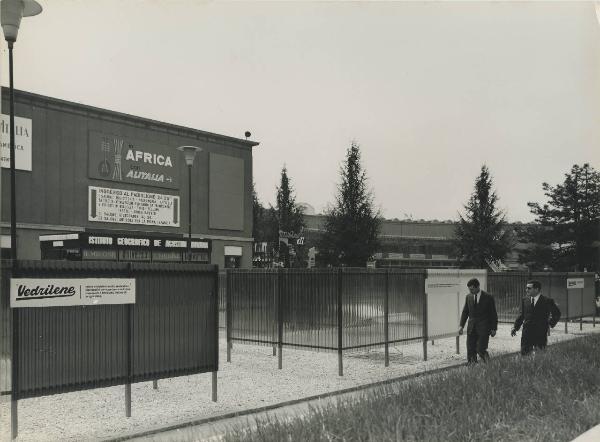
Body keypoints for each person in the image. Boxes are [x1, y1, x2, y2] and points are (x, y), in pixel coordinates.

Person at [511, 280, 561, 355]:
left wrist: (550, 324)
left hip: (540, 332)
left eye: (529, 288)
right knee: (525, 354)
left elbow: (557, 314)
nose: (526, 290)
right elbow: (521, 315)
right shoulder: (524, 300)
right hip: (527, 332)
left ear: (536, 289)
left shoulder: (547, 301)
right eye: (526, 288)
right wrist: (515, 327)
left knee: (540, 354)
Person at [459, 278, 498, 364]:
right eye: (469, 289)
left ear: (477, 287)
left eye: (472, 289)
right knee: (470, 349)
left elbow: (493, 314)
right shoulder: (468, 297)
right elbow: (465, 312)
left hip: (484, 328)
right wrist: (461, 326)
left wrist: (494, 328)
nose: (470, 291)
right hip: (471, 328)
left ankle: (488, 365)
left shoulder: (488, 297)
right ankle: (472, 367)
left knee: (480, 349)